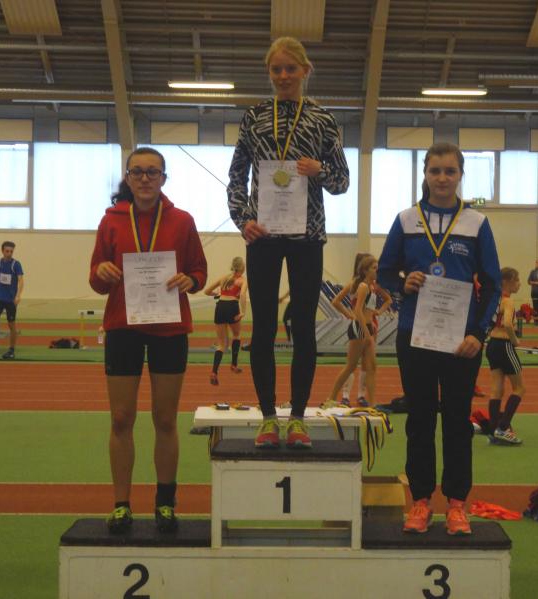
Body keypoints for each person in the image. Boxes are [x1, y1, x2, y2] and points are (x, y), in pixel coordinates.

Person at [227, 36, 349, 449]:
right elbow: (236, 175)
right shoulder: (254, 117)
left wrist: (319, 170)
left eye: (290, 69)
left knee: (303, 327)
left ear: (305, 71)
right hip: (262, 235)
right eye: (276, 69)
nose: (283, 76)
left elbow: (342, 181)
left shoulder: (323, 119)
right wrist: (242, 219)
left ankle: (297, 417)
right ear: (269, 73)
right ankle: (267, 416)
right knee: (262, 327)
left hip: (307, 236)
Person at [378, 142, 502, 536]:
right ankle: (420, 501)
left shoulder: (477, 223)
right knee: (419, 420)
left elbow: (494, 284)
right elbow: (384, 273)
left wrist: (478, 334)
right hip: (414, 336)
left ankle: (457, 504)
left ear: (460, 175)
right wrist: (403, 283)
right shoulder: (405, 220)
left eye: (450, 171)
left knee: (457, 423)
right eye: (435, 171)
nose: (443, 178)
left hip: (461, 343)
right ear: (425, 174)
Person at [89, 147, 207, 534]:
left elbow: (199, 271)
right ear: (127, 178)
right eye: (137, 172)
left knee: (165, 419)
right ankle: (121, 504)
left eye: (152, 172)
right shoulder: (110, 220)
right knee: (121, 418)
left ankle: (165, 503)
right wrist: (102, 272)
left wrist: (191, 280)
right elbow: (95, 277)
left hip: (169, 329)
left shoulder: (182, 220)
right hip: (123, 326)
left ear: (163, 178)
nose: (144, 178)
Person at [325, 253, 391, 408]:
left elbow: (386, 301)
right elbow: (358, 310)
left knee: (371, 367)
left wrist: (377, 314)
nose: (377, 271)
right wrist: (364, 331)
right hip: (360, 329)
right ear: (365, 270)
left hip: (368, 327)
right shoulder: (361, 286)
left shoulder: (372, 286)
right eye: (374, 268)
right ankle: (331, 398)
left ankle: (372, 404)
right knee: (351, 366)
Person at [486, 267, 526, 446]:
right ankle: (502, 429)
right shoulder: (508, 301)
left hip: (492, 345)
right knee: (519, 388)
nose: (519, 284)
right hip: (504, 345)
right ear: (507, 282)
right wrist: (514, 340)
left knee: (496, 390)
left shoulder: (495, 299)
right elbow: (508, 323)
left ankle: (493, 429)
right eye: (517, 280)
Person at [204, 257, 248, 385]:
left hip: (220, 307)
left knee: (221, 344)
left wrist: (217, 295)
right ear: (242, 268)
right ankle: (234, 364)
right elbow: (243, 294)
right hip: (232, 307)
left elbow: (206, 291)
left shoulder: (224, 278)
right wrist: (243, 312)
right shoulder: (242, 280)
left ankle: (214, 372)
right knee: (236, 335)